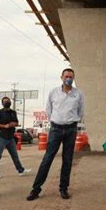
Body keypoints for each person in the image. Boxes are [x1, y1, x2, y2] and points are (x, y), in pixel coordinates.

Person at [27, 68, 84, 201]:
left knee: (67, 160)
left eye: (71, 77)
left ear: (73, 78)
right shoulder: (53, 92)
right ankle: (36, 189)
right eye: (66, 76)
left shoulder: (78, 93)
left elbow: (81, 111)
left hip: (71, 130)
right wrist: (57, 120)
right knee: (47, 159)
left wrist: (71, 121)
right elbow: (48, 110)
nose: (68, 79)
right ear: (61, 77)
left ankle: (63, 188)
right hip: (56, 130)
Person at [0, 97, 31, 179]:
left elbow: (16, 122)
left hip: (10, 137)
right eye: (5, 101)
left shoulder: (13, 112)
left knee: (14, 155)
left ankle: (21, 170)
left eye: (8, 101)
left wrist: (14, 124)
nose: (7, 102)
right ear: (2, 103)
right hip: (1, 136)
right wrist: (5, 126)